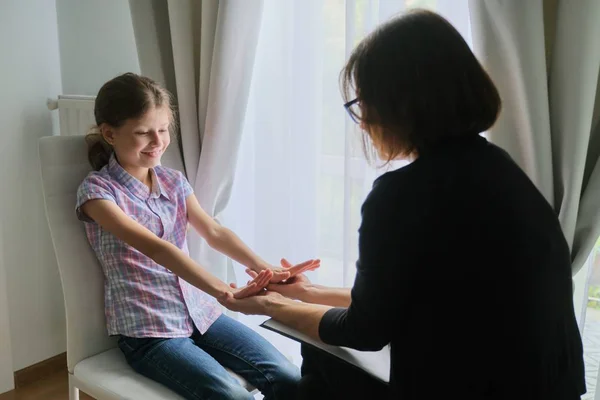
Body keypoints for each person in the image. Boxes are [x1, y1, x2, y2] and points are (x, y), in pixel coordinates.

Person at [219, 9, 586, 400]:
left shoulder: (400, 194)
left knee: (317, 353)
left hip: (474, 386)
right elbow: (412, 295)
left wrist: (270, 306)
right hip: (550, 384)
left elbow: (364, 330)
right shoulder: (499, 170)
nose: (363, 122)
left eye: (364, 103)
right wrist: (305, 294)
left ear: (398, 104)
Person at [75, 72, 320, 400]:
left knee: (290, 378)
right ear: (109, 133)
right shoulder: (97, 192)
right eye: (143, 133)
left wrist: (267, 268)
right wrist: (224, 291)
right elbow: (157, 249)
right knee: (232, 396)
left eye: (162, 130)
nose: (158, 141)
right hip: (149, 331)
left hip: (201, 312)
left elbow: (214, 232)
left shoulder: (174, 181)